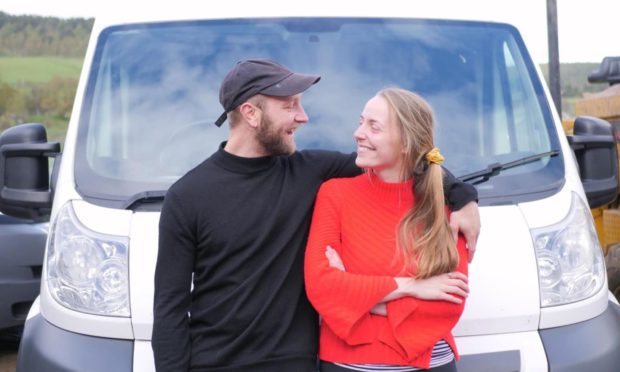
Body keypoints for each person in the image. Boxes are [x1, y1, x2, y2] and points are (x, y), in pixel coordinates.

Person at [152, 59, 479, 371]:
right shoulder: (187, 196)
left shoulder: (312, 172)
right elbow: (170, 309)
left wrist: (464, 196)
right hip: (215, 364)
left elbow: (404, 156)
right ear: (251, 113)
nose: (303, 116)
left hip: (297, 364)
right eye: (289, 105)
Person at [304, 88, 469, 372]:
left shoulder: (447, 205)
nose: (358, 133)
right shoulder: (334, 194)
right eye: (360, 122)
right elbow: (321, 287)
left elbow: (448, 303)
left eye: (373, 126)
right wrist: (412, 287)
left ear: (405, 143)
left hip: (431, 364)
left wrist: (361, 298)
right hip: (347, 365)